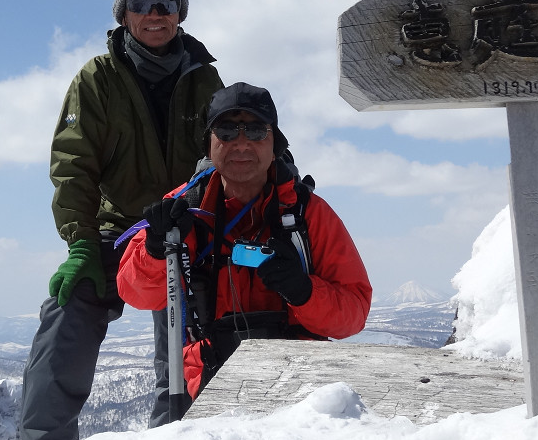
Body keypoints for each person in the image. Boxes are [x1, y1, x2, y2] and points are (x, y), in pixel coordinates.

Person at [17, 0, 223, 440]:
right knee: (68, 312)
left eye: (165, 5)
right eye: (140, 5)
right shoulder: (97, 78)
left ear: (180, 14)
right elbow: (72, 165)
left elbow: (227, 150)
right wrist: (81, 243)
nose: (153, 15)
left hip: (184, 225)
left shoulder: (205, 78)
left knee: (190, 332)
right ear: (123, 15)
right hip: (118, 229)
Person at [117, 82, 372, 413]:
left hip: (301, 379)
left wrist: (305, 292)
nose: (241, 143)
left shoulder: (308, 213)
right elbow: (134, 292)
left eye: (255, 130)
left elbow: (353, 313)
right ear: (209, 145)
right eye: (226, 130)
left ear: (274, 143)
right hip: (209, 377)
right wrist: (153, 250)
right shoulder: (181, 209)